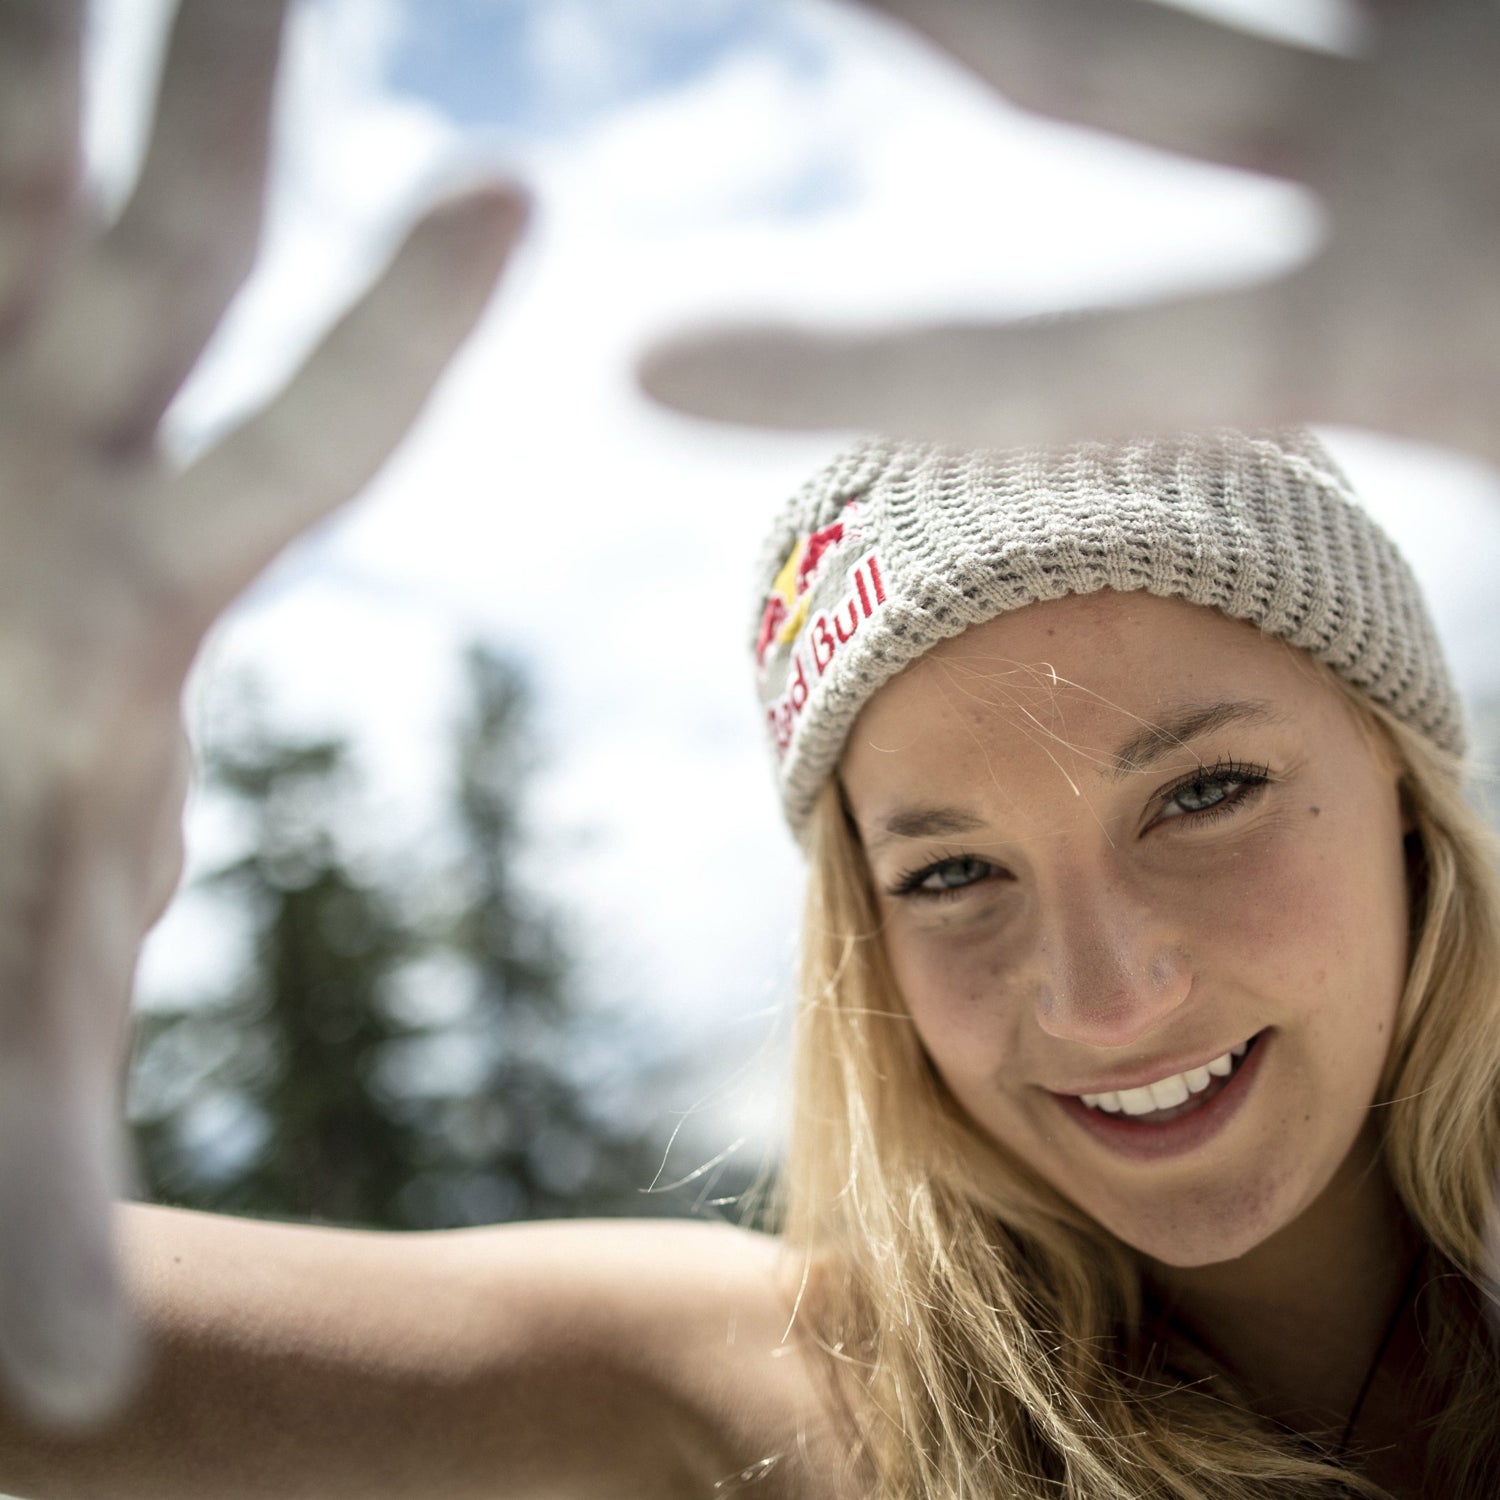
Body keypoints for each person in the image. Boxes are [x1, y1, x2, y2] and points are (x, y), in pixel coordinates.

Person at [1, 2, 1498, 1498]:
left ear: (1403, 784)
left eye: (1205, 792)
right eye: (951, 872)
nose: (1108, 1000)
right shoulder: (780, 1404)